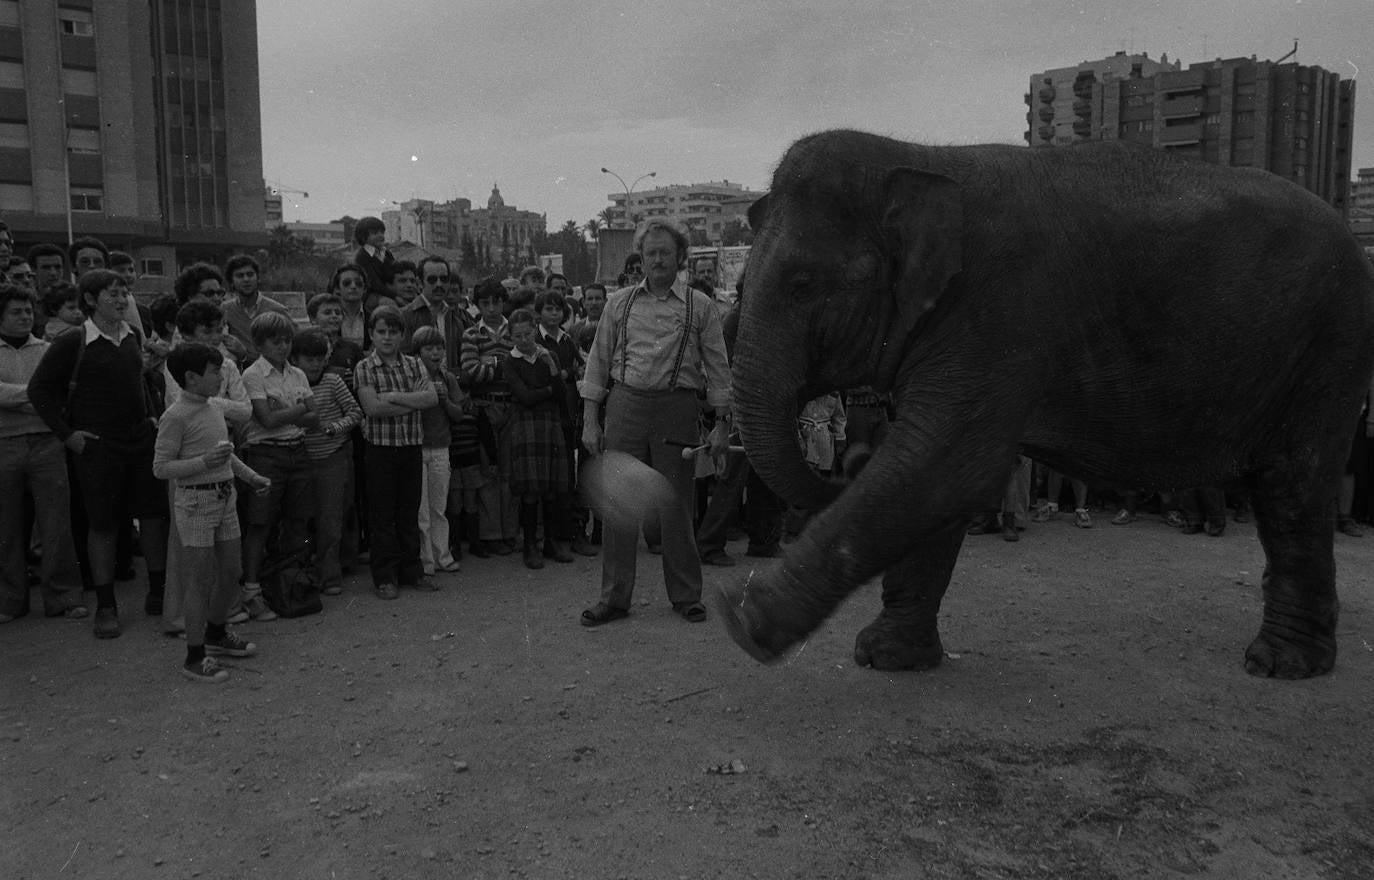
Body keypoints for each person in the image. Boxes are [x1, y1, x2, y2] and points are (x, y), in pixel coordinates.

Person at [580, 218, 732, 626]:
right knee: (618, 504)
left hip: (676, 408)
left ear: (680, 257)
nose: (658, 259)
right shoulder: (619, 303)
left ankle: (686, 596)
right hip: (625, 405)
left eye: (666, 252)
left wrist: (721, 425)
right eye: (651, 253)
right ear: (641, 258)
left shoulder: (700, 306)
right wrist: (590, 421)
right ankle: (613, 599)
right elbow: (596, 365)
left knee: (677, 505)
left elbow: (719, 370)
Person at [27, 269, 170, 639]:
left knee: (153, 517)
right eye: (112, 294)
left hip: (139, 442)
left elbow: (140, 382)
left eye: (124, 293)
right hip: (98, 448)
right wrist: (68, 435)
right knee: (103, 525)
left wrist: (152, 417)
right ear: (91, 300)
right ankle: (106, 606)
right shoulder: (73, 342)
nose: (122, 300)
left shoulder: (133, 335)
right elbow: (39, 391)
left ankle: (159, 592)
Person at [152, 343, 269, 682]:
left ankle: (216, 633)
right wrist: (202, 463)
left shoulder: (215, 406)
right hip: (195, 503)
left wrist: (250, 477)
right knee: (199, 580)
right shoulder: (175, 416)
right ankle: (194, 655)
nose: (220, 377)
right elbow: (161, 467)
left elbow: (225, 454)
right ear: (190, 377)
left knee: (231, 570)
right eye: (214, 371)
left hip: (225, 498)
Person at [0, 284, 85, 623]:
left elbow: (61, 393)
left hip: (48, 443)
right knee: (6, 527)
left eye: (27, 311)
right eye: (15, 312)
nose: (24, 317)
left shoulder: (49, 349)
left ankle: (63, 597)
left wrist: (19, 398)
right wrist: (38, 394)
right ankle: (9, 600)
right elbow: (43, 393)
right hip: (3, 445)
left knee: (56, 524)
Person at [237, 311, 316, 622]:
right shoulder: (253, 375)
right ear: (259, 344)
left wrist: (286, 411)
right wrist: (298, 411)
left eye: (287, 340)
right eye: (275, 341)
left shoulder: (297, 374)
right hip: (266, 455)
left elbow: (316, 418)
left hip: (297, 451)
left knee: (298, 521)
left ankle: (291, 584)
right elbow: (266, 420)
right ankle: (252, 590)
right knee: (260, 524)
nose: (282, 346)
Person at [354, 305, 438, 599]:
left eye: (393, 332)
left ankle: (412, 571)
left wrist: (394, 397)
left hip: (410, 447)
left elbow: (430, 398)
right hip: (380, 450)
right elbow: (372, 408)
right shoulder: (364, 367)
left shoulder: (415, 364)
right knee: (382, 515)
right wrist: (411, 401)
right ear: (371, 335)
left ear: (402, 335)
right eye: (381, 332)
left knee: (408, 511)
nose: (387, 337)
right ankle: (385, 577)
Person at [291, 329, 362, 595]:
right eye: (310, 359)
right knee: (301, 521)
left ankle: (330, 575)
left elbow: (355, 412)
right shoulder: (291, 384)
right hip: (300, 459)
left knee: (330, 520)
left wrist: (335, 427)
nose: (316, 364)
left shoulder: (333, 381)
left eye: (320, 358)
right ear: (296, 359)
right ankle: (302, 574)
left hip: (332, 457)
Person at [503, 308, 573, 569]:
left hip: (549, 424)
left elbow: (560, 391)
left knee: (552, 489)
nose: (524, 339)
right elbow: (524, 397)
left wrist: (552, 368)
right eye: (518, 335)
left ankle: (552, 543)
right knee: (531, 490)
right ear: (511, 336)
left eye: (528, 333)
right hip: (526, 426)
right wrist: (547, 389)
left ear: (535, 330)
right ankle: (530, 544)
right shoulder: (510, 362)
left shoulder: (548, 355)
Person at [535, 289, 594, 557]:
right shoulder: (535, 340)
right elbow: (546, 377)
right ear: (539, 312)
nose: (554, 313)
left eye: (558, 309)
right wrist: (564, 374)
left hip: (570, 416)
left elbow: (579, 368)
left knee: (571, 478)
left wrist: (567, 373)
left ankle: (575, 534)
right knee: (551, 481)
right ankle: (553, 538)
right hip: (546, 417)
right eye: (548, 309)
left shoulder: (568, 339)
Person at [461, 277, 517, 556]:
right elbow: (470, 372)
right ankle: (491, 533)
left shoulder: (515, 330)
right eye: (485, 303)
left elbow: (519, 371)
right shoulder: (472, 334)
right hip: (484, 407)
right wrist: (503, 365)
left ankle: (509, 532)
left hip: (512, 406)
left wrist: (491, 364)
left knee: (509, 472)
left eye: (497, 301)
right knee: (488, 472)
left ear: (503, 301)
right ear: (478, 304)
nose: (492, 307)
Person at [411, 326, 464, 575]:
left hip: (442, 447)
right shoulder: (411, 376)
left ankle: (443, 555)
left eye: (438, 348)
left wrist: (443, 400)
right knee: (421, 510)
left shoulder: (448, 377)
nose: (435, 353)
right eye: (428, 348)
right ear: (417, 352)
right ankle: (426, 560)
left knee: (438, 507)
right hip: (417, 448)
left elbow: (459, 414)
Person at [402, 255, 469, 372]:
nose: (439, 284)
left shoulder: (455, 319)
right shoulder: (405, 316)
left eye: (443, 279)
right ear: (420, 282)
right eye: (432, 279)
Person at [221, 255, 290, 361]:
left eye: (250, 274)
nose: (246, 279)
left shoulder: (278, 311)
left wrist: (244, 354)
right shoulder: (225, 310)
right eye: (240, 276)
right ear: (231, 282)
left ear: (258, 278)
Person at [352, 217, 394, 301]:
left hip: (390, 292)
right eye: (375, 233)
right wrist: (395, 297)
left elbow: (397, 272)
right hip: (372, 296)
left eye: (382, 232)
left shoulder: (387, 253)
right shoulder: (362, 257)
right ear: (363, 237)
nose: (380, 236)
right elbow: (374, 283)